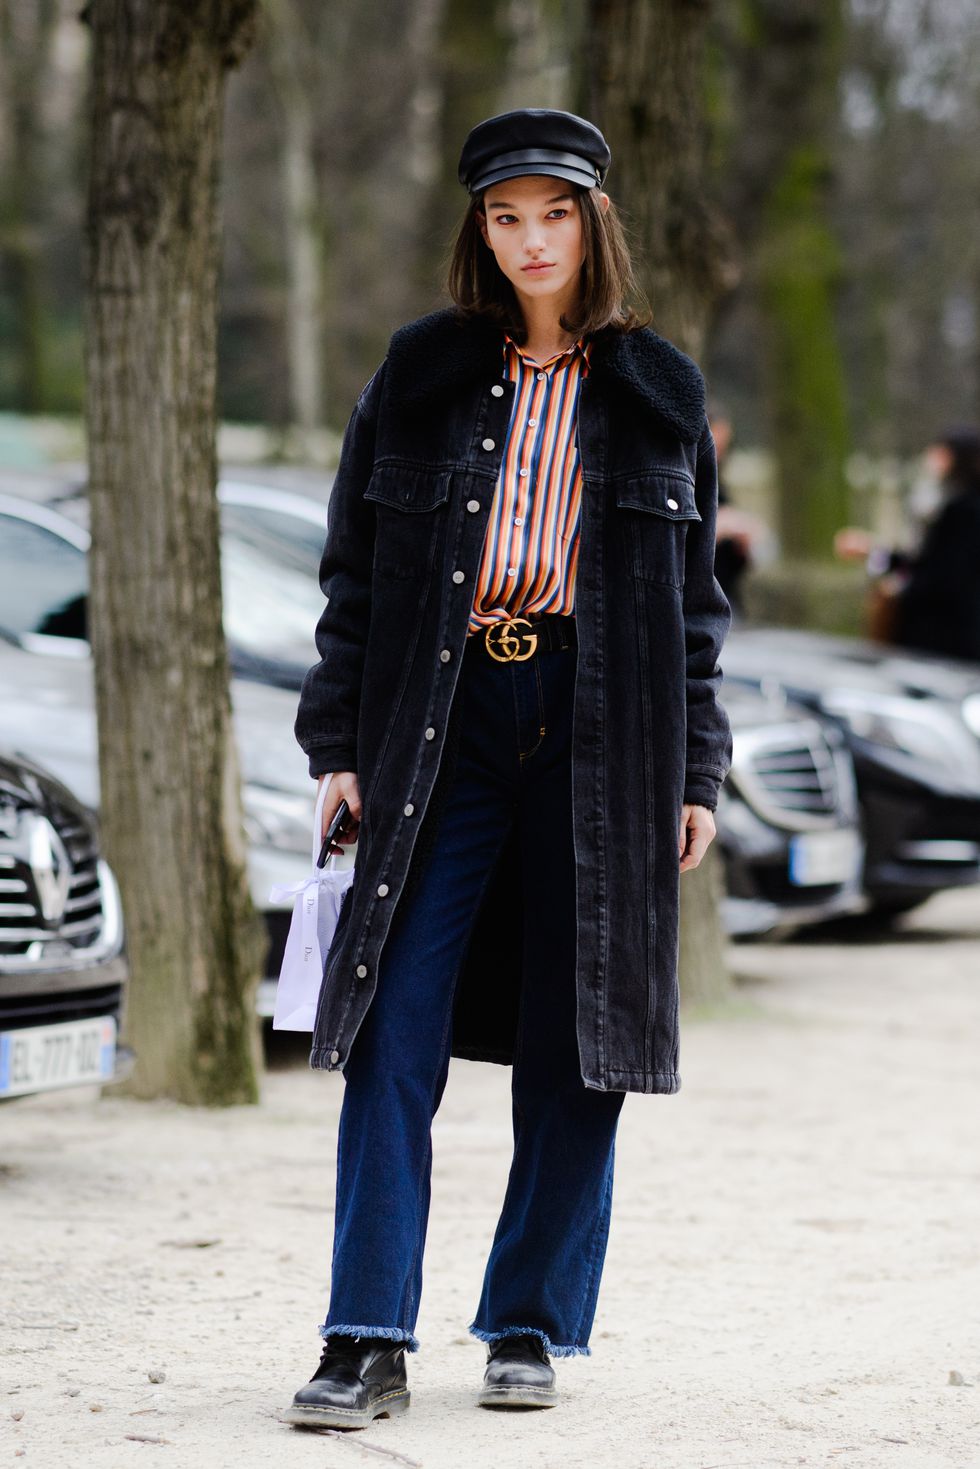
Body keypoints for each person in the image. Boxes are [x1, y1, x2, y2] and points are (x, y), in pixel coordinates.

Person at [286, 107, 733, 1430]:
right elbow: (354, 576)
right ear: (478, 229)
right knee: (389, 1031)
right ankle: (364, 1333)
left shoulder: (660, 390)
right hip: (443, 718)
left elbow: (694, 607)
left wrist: (696, 769)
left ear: (596, 224)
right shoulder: (419, 372)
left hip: (604, 733)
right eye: (504, 214)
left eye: (554, 213)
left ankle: (528, 1321)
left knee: (576, 1041)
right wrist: (336, 748)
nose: (530, 239)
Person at [835, 426, 980, 661]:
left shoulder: (964, 511)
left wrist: (899, 590)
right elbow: (925, 564)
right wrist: (874, 551)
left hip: (944, 638)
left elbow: (945, 578)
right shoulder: (953, 505)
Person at [708, 399, 770, 618]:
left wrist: (743, 544)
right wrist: (715, 528)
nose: (719, 454)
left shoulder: (718, 484)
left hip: (725, 595)